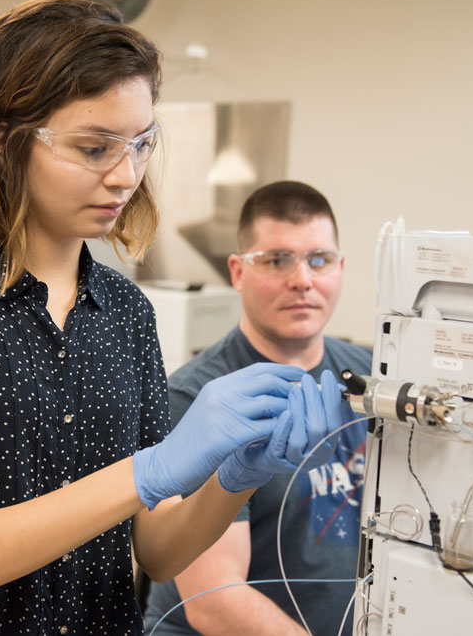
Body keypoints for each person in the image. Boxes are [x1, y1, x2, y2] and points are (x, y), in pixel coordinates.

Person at [0, 0, 344, 635]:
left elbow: (157, 550)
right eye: (93, 148)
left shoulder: (126, 314)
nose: (126, 176)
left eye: (141, 145)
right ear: (5, 142)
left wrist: (234, 480)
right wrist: (144, 473)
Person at [143, 181, 374, 636]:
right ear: (238, 271)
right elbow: (215, 602)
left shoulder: (366, 377)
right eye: (277, 260)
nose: (302, 280)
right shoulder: (195, 398)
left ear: (341, 267)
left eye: (319, 260)